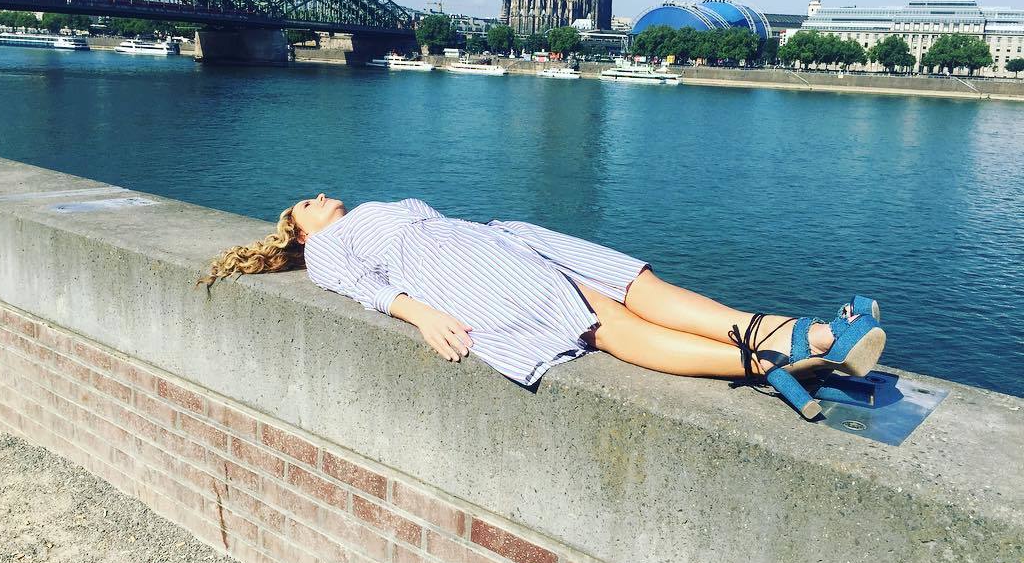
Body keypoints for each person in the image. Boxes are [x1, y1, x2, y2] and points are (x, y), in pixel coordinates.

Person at [199, 195, 885, 420]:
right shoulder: (326, 248)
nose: (323, 196)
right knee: (607, 323)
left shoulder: (353, 220)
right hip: (460, 268)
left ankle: (798, 333)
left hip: (495, 239)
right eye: (310, 201)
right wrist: (420, 313)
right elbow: (363, 289)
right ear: (300, 229)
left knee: (637, 284)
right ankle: (776, 358)